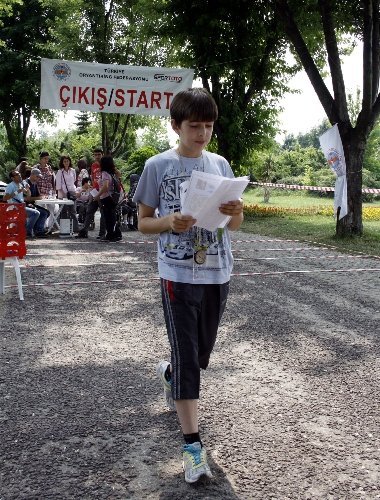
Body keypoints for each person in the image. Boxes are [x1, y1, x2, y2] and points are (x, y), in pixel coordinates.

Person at [133, 88, 244, 483]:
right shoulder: (158, 166)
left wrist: (237, 211)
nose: (201, 134)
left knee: (199, 355)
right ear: (175, 125)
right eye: (194, 126)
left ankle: (171, 375)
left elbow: (233, 225)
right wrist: (170, 222)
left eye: (208, 126)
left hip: (217, 272)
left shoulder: (220, 164)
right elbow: (144, 221)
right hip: (177, 274)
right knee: (187, 357)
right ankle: (193, 448)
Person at [3, 170, 46, 238]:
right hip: (14, 207)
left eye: (19, 174)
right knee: (35, 213)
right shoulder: (10, 186)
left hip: (21, 205)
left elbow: (28, 195)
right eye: (17, 175)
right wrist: (17, 192)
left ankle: (31, 231)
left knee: (43, 212)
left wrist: (27, 188)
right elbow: (5, 198)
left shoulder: (20, 184)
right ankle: (27, 232)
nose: (19, 175)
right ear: (12, 178)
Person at [93, 156, 122, 242]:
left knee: (108, 217)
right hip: (112, 197)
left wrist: (97, 195)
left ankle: (110, 235)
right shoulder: (112, 173)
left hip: (106, 197)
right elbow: (119, 175)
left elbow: (105, 186)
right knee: (112, 216)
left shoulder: (105, 173)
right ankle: (116, 234)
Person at [55, 155, 80, 232]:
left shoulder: (72, 170)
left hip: (72, 192)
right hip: (63, 194)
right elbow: (58, 185)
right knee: (64, 211)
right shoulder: (60, 172)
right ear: (62, 162)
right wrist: (65, 194)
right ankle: (65, 230)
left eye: (67, 161)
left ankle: (75, 228)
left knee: (73, 211)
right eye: (64, 161)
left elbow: (74, 181)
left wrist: (74, 192)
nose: (66, 163)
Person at [24, 168, 50, 236]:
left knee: (46, 212)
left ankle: (38, 229)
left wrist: (43, 197)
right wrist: (39, 198)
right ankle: (31, 231)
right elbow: (26, 199)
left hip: (31, 204)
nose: (38, 178)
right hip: (24, 205)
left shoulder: (35, 184)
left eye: (39, 177)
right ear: (32, 175)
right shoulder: (26, 183)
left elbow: (38, 195)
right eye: (37, 176)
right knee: (40, 212)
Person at [34, 151, 56, 231]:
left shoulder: (49, 167)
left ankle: (50, 226)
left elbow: (52, 180)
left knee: (52, 207)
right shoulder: (36, 168)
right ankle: (42, 227)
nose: (46, 160)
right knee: (42, 209)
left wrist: (53, 190)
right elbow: (34, 181)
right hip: (40, 192)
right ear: (40, 159)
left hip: (49, 191)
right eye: (45, 158)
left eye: (47, 159)